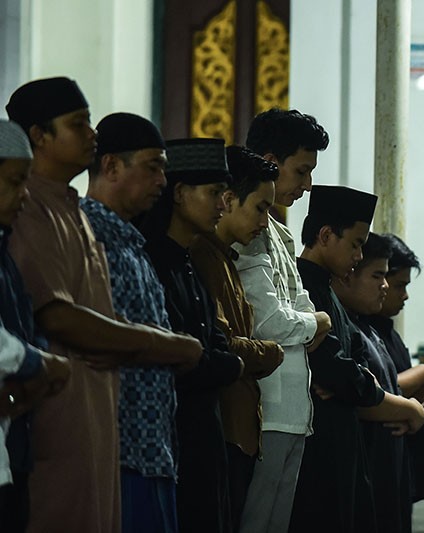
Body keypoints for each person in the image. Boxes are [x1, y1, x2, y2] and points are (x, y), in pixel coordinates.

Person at [6, 77, 200, 533]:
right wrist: (172, 346)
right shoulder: (29, 208)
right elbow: (57, 316)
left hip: (105, 427)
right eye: (79, 123)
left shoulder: (72, 209)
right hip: (59, 420)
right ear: (39, 136)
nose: (92, 134)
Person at [81, 113, 205, 533]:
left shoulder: (133, 244)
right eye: (153, 167)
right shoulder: (85, 236)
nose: (162, 182)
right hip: (114, 452)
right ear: (112, 166)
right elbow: (91, 333)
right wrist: (176, 348)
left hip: (153, 448)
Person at [291, 185, 424, 533]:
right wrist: (352, 382)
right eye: (355, 244)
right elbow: (336, 371)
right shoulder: (303, 287)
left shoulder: (328, 291)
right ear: (325, 235)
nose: (357, 254)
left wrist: (350, 380)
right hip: (319, 454)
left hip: (345, 450)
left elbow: (353, 370)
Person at [138, 137, 244, 533]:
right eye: (215, 192)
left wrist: (222, 360)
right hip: (171, 435)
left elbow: (214, 345)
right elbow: (187, 359)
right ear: (180, 194)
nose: (223, 204)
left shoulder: (190, 263)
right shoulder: (153, 262)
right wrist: (227, 362)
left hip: (205, 433)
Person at [235, 108, 332, 533]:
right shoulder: (247, 231)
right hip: (265, 407)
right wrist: (317, 324)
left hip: (293, 407)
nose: (307, 185)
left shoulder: (279, 232)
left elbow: (301, 306)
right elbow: (271, 322)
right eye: (302, 171)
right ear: (271, 162)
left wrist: (311, 321)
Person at [188, 145, 285, 531]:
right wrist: (271, 352)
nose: (265, 222)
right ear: (228, 200)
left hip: (239, 431)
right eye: (260, 208)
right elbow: (222, 343)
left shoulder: (225, 258)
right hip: (222, 429)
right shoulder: (203, 256)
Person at [0, 119, 72, 532]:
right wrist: (41, 364)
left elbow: (25, 325)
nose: (23, 196)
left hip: (14, 446)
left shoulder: (5, 252)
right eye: (13, 181)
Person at [333, 232, 424, 533]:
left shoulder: (368, 329)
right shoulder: (346, 330)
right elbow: (358, 395)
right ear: (348, 275)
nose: (385, 287)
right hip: (366, 471)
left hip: (389, 473)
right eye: (378, 276)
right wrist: (413, 410)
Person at [368, 234, 424, 505]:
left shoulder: (388, 331)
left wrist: (420, 396)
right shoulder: (365, 331)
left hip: (403, 472)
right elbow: (377, 388)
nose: (403, 295)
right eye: (399, 285)